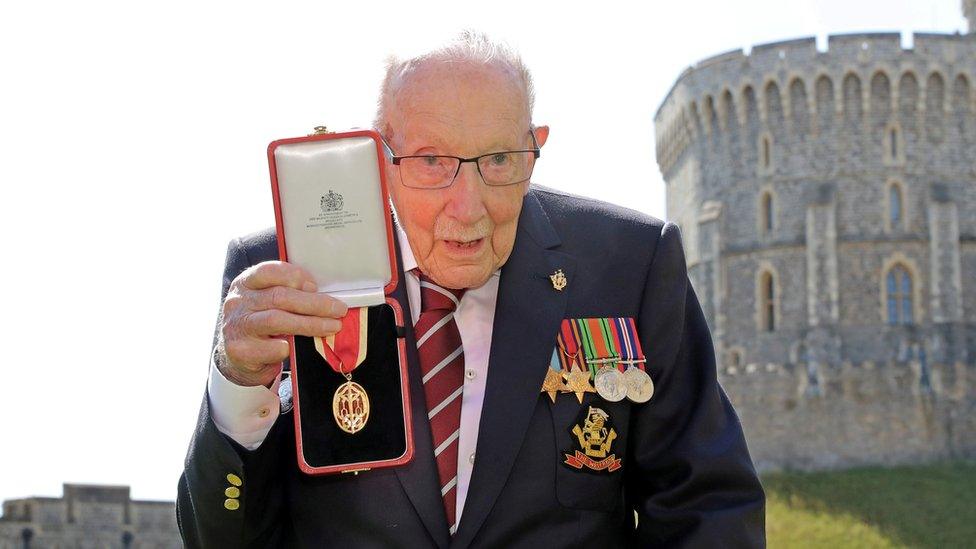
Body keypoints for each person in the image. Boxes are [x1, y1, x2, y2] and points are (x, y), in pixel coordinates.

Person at [177, 31, 765, 548]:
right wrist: (236, 386)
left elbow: (706, 506)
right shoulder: (280, 275)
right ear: (380, 157)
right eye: (432, 160)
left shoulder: (630, 265)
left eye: (500, 159)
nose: (468, 206)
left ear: (536, 146)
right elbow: (218, 539)